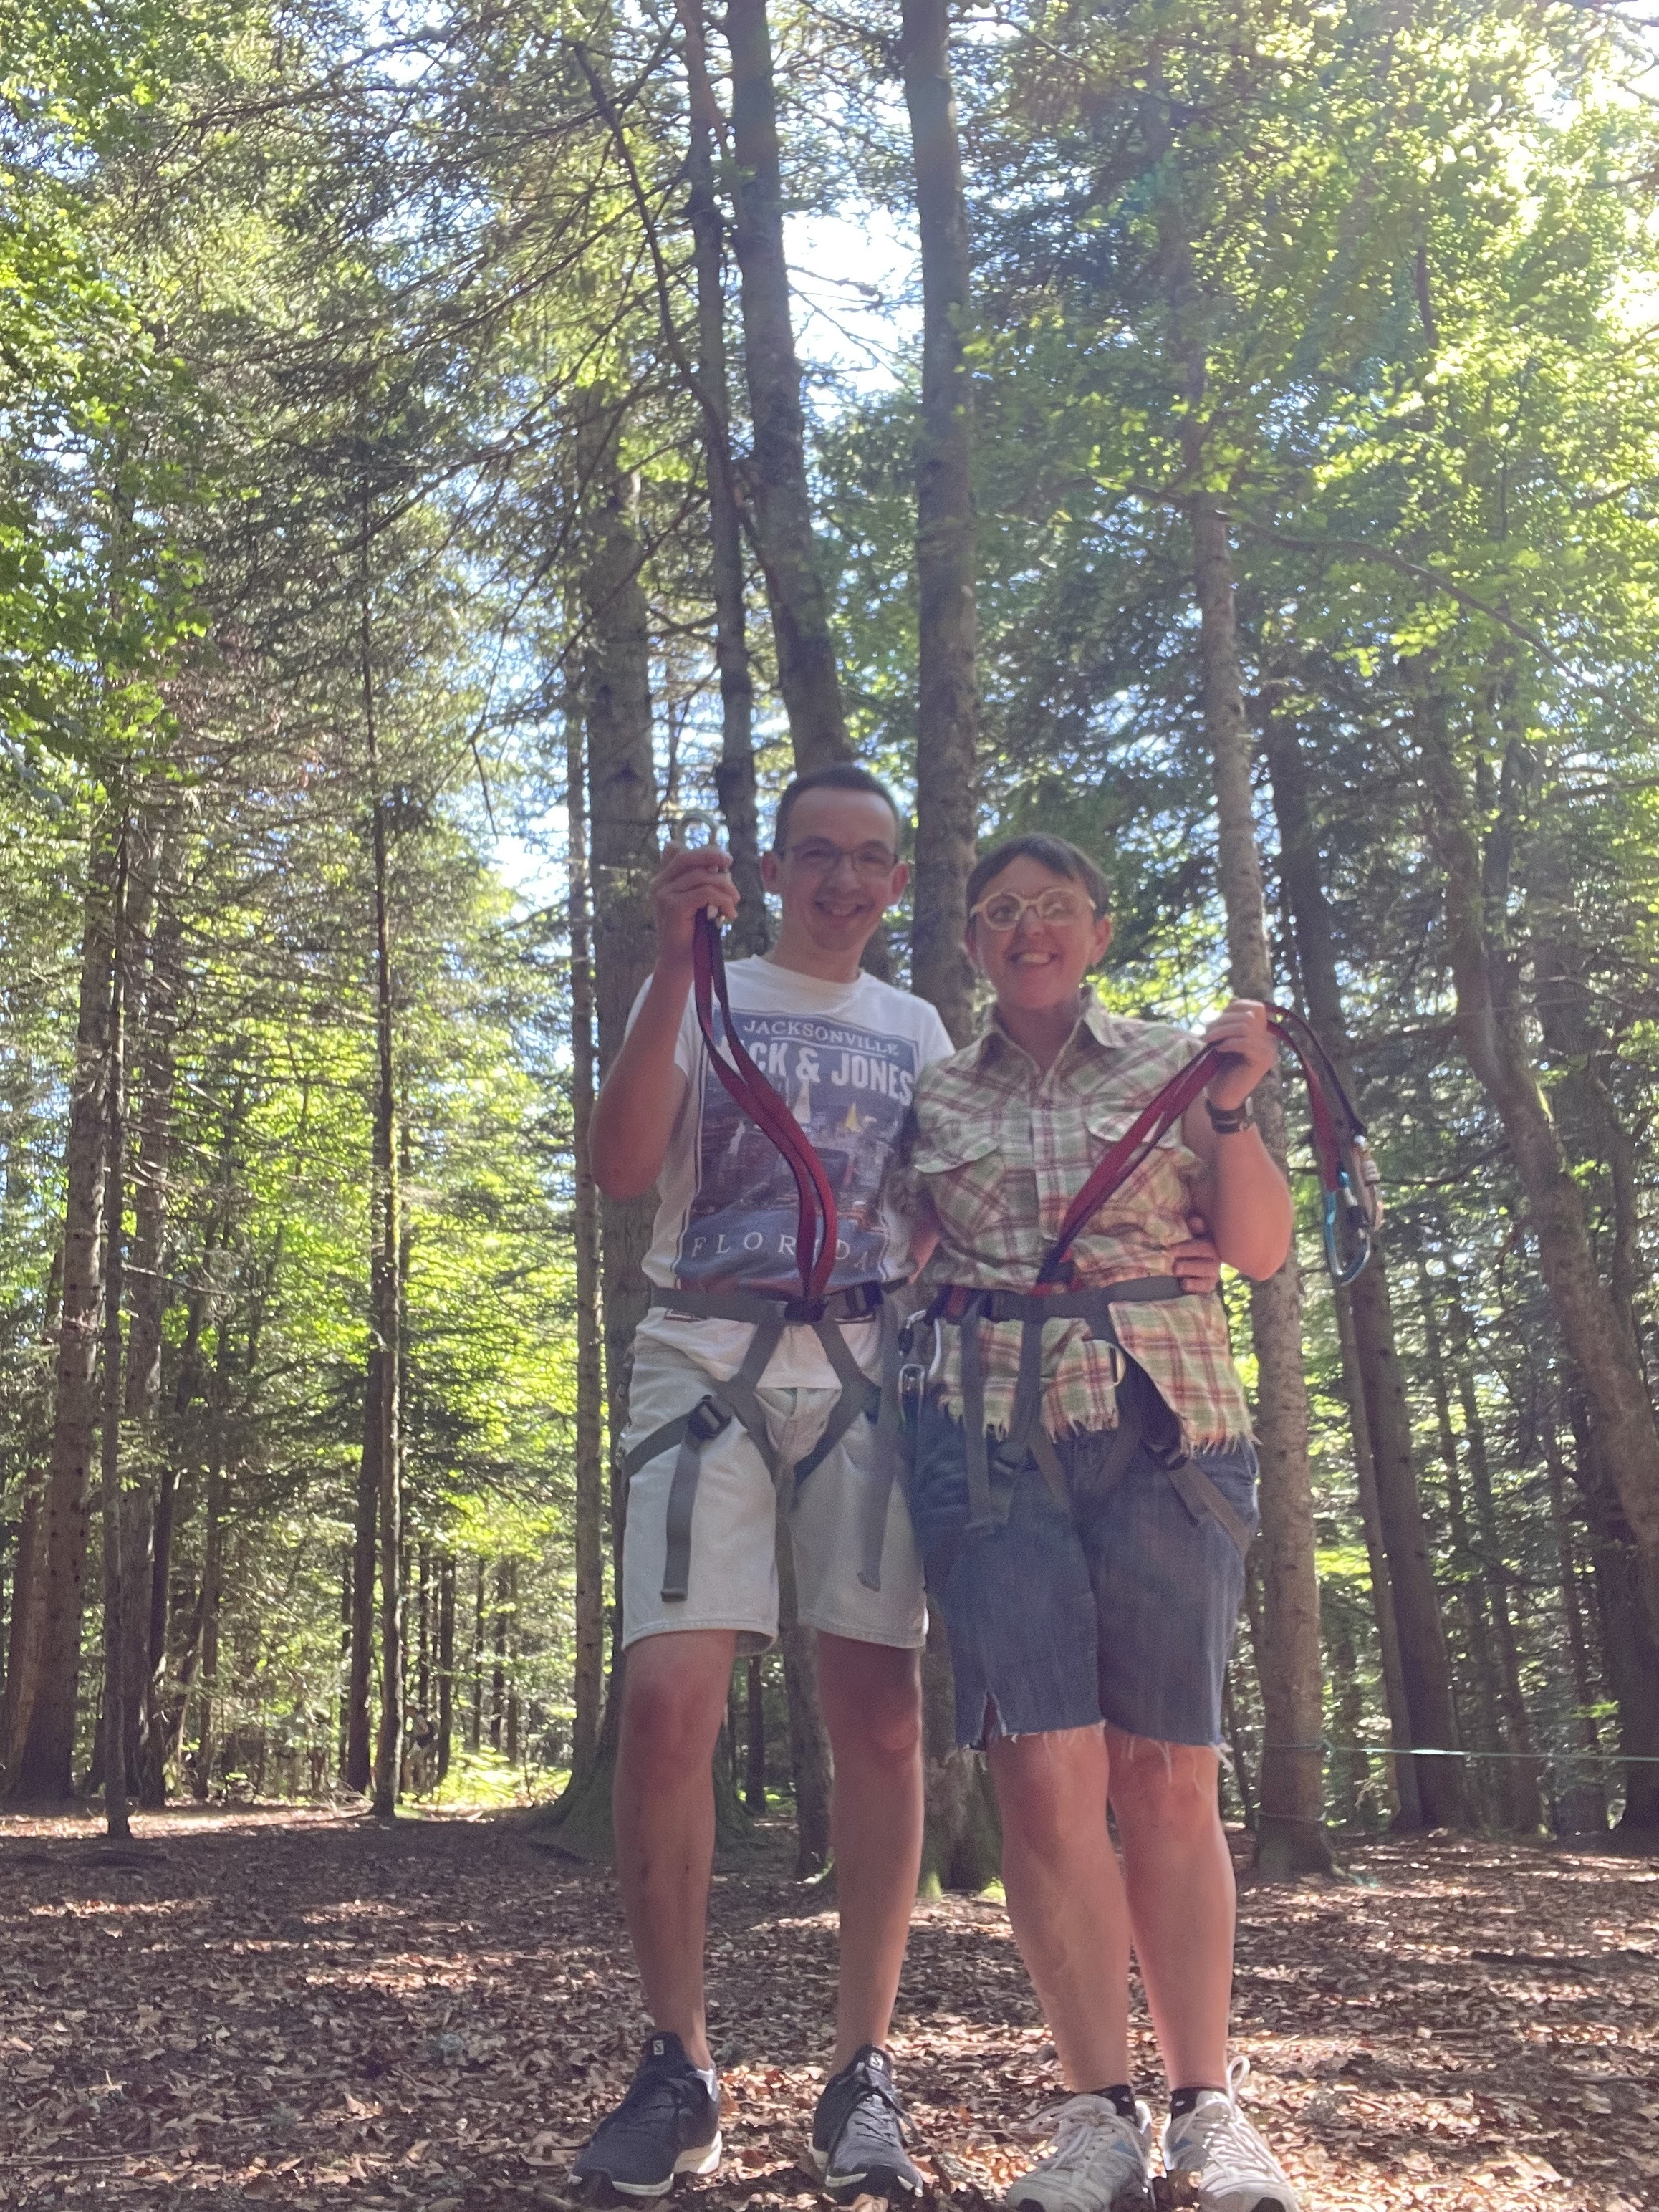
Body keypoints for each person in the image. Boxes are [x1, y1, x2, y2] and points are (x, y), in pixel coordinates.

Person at [901, 832, 1303, 2212]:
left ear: (1099, 930)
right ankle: (1094, 2116)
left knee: (1169, 1774)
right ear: (972, 943)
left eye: (1055, 907)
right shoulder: (934, 1095)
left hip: (1167, 1432)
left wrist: (1235, 1113)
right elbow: (894, 1254)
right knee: (1041, 1776)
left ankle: (1208, 2107)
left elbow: (1259, 1249)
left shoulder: (1179, 1072)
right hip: (988, 1445)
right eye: (1001, 911)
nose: (1029, 929)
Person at [575, 764, 953, 2206]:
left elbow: (950, 1202)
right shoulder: (703, 988)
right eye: (818, 853)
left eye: (870, 859)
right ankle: (677, 2063)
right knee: (668, 1702)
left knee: (882, 1711)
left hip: (866, 1359)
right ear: (777, 867)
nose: (843, 879)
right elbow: (622, 1167)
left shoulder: (918, 1028)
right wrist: (674, 966)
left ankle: (864, 2069)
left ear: (896, 882)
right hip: (701, 1350)